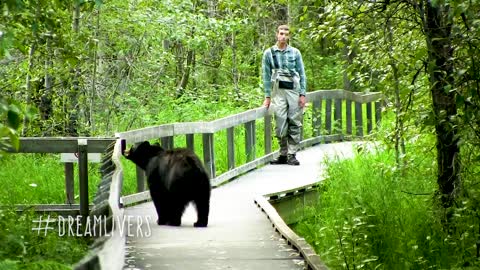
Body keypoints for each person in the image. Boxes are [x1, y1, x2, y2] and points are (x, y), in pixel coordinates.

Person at [262, 24, 307, 166]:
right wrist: (267, 96)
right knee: (280, 121)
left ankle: (292, 154)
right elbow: (266, 75)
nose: (283, 36)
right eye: (281, 33)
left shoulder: (295, 53)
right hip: (278, 90)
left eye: (286, 34)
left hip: (293, 89)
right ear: (277, 34)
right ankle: (282, 153)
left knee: (294, 120)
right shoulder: (269, 53)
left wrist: (302, 94)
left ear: (289, 36)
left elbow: (302, 74)